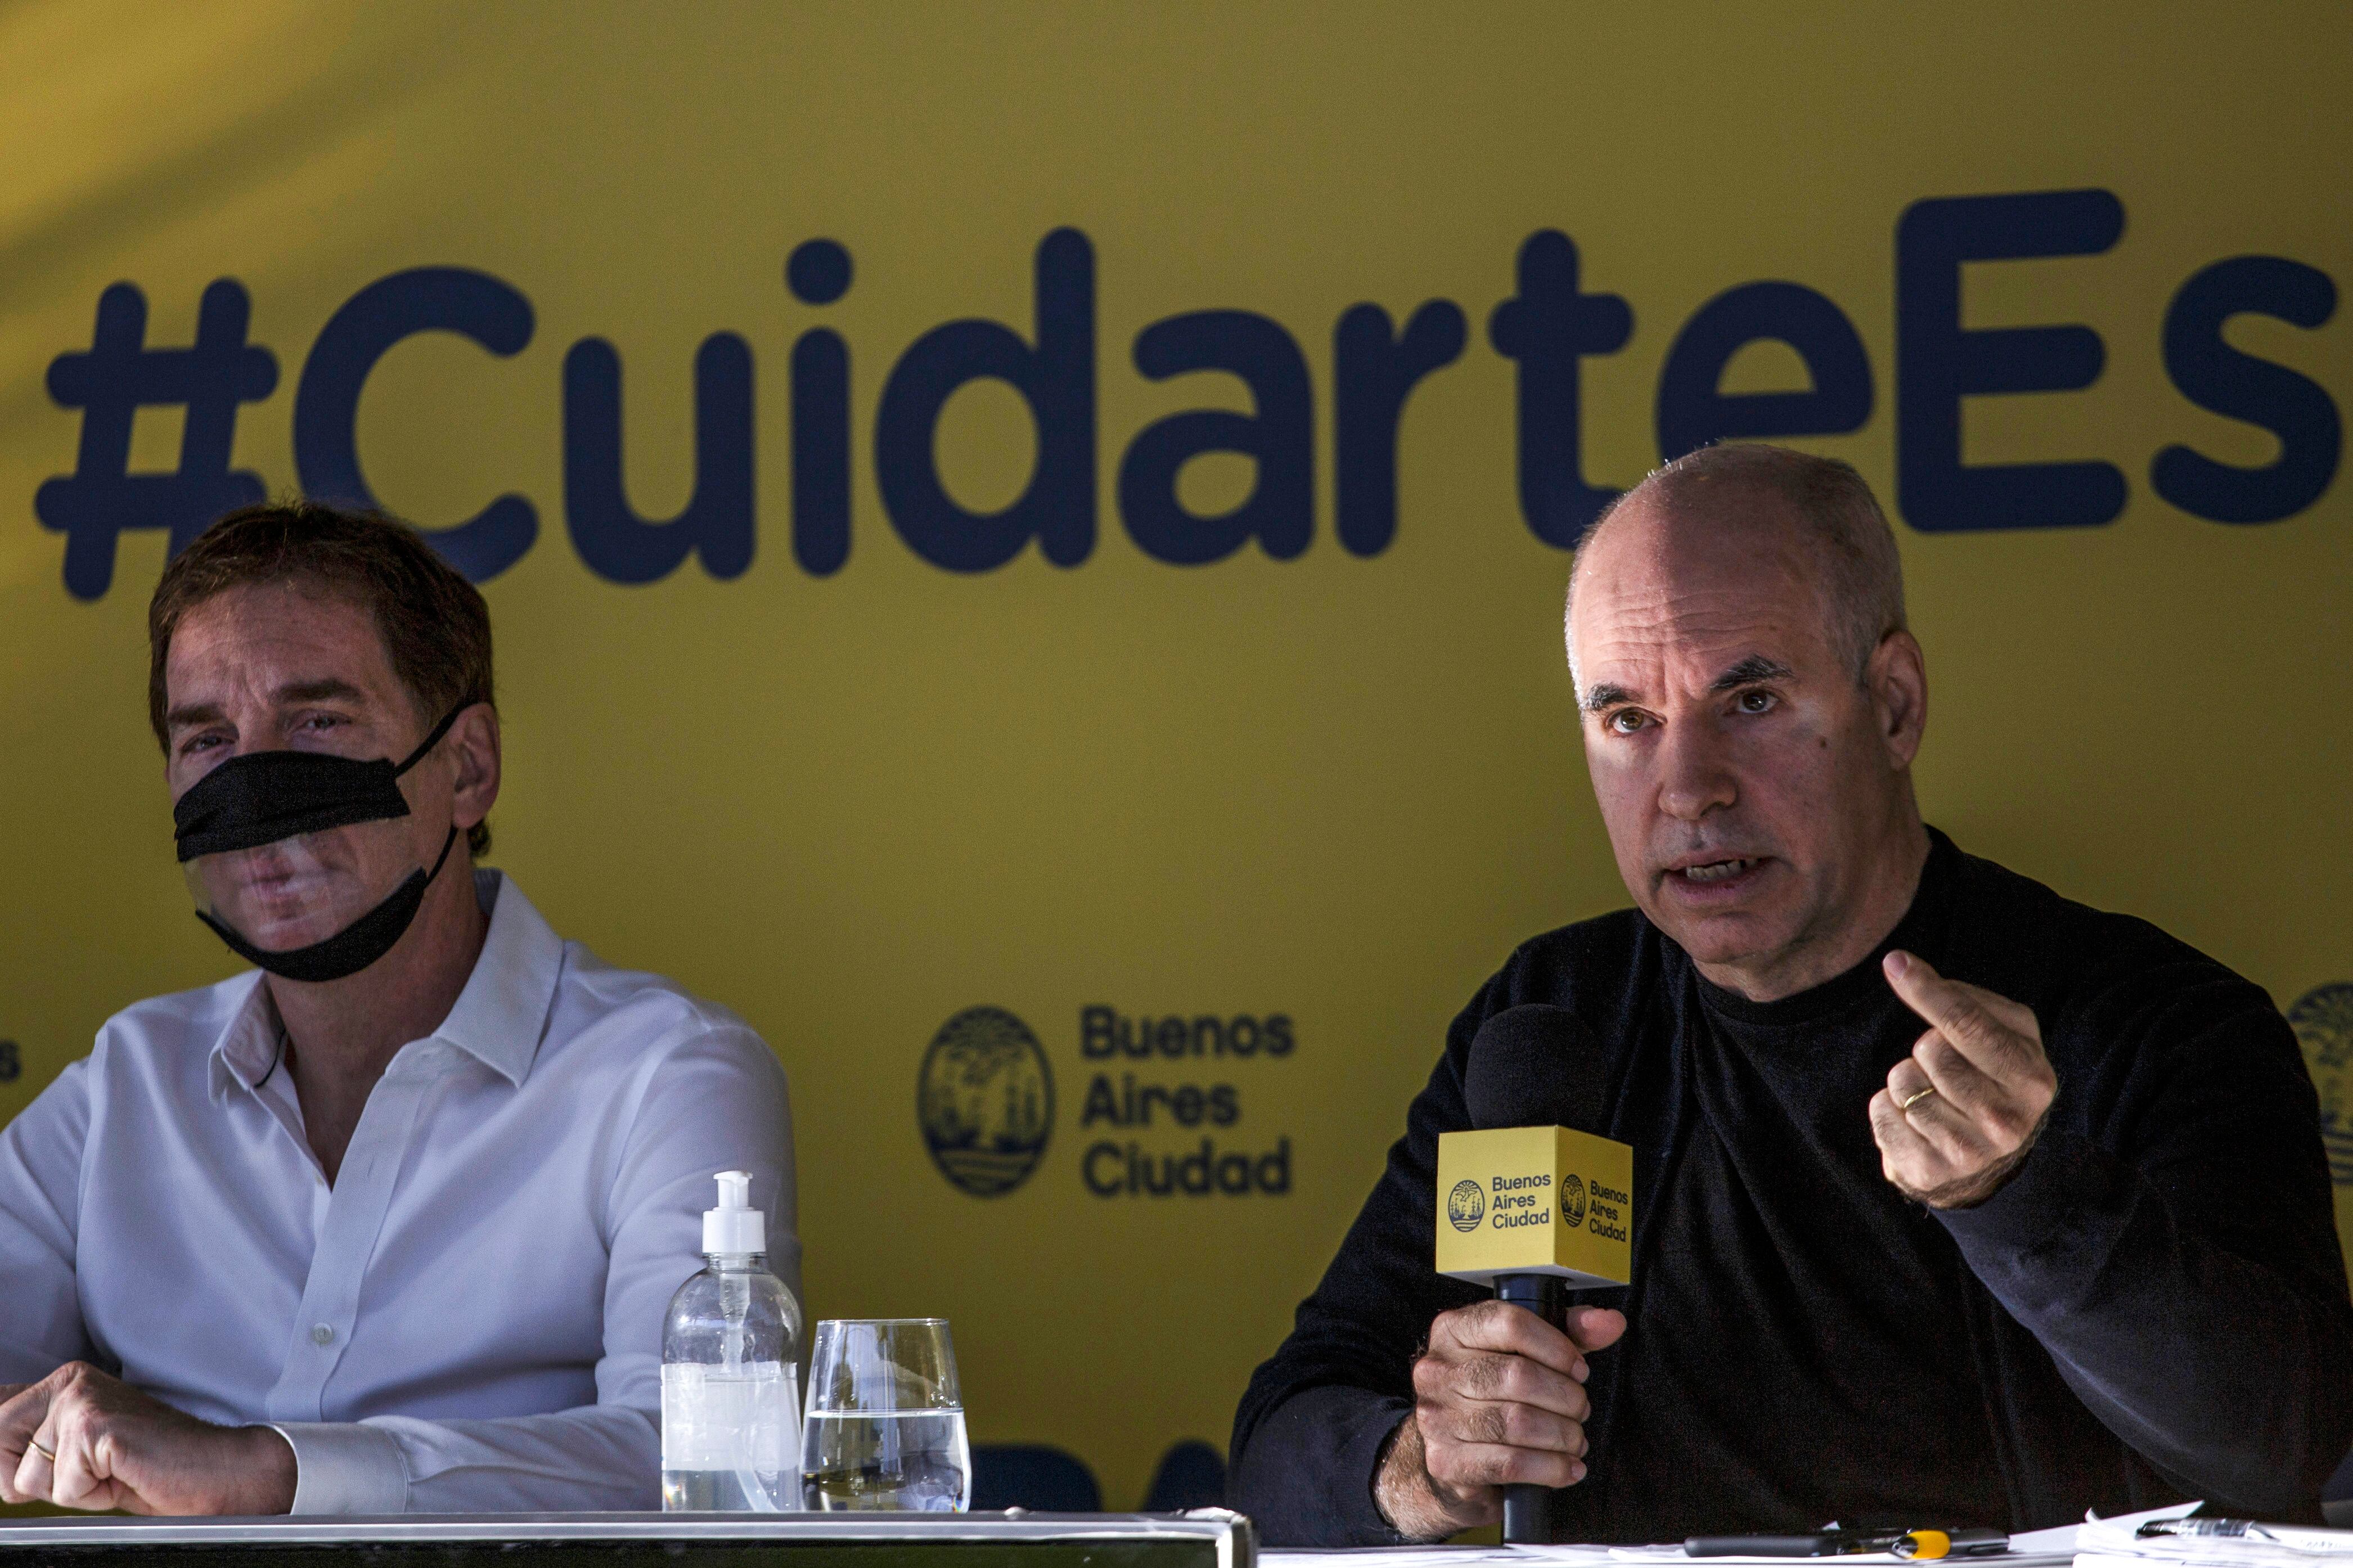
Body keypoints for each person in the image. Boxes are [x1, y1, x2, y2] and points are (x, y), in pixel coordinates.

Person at [1229, 444, 2353, 1543]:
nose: (1687, 788)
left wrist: (2028, 1194)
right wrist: (1421, 1465)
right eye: (1627, 721)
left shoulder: (2152, 1022)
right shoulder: (1553, 1017)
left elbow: (2295, 1448)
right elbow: (1282, 1439)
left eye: (1751, 699)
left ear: (1896, 705)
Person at [0, 503, 798, 1515]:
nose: (251, 790)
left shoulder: (666, 1076)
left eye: (318, 721)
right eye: (207, 739)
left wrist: (264, 1471)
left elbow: (706, 1468)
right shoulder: (125, 1086)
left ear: (466, 769)